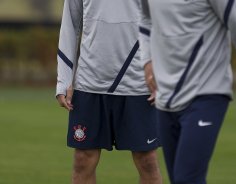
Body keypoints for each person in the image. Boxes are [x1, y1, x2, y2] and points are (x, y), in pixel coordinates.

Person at [139, 0, 236, 183]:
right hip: (165, 97)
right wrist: (147, 60)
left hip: (207, 92)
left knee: (187, 179)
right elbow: (146, 20)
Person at [56, 0, 162, 183]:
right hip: (89, 82)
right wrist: (64, 80)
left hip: (139, 84)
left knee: (147, 161)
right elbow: (70, 24)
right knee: (83, 160)